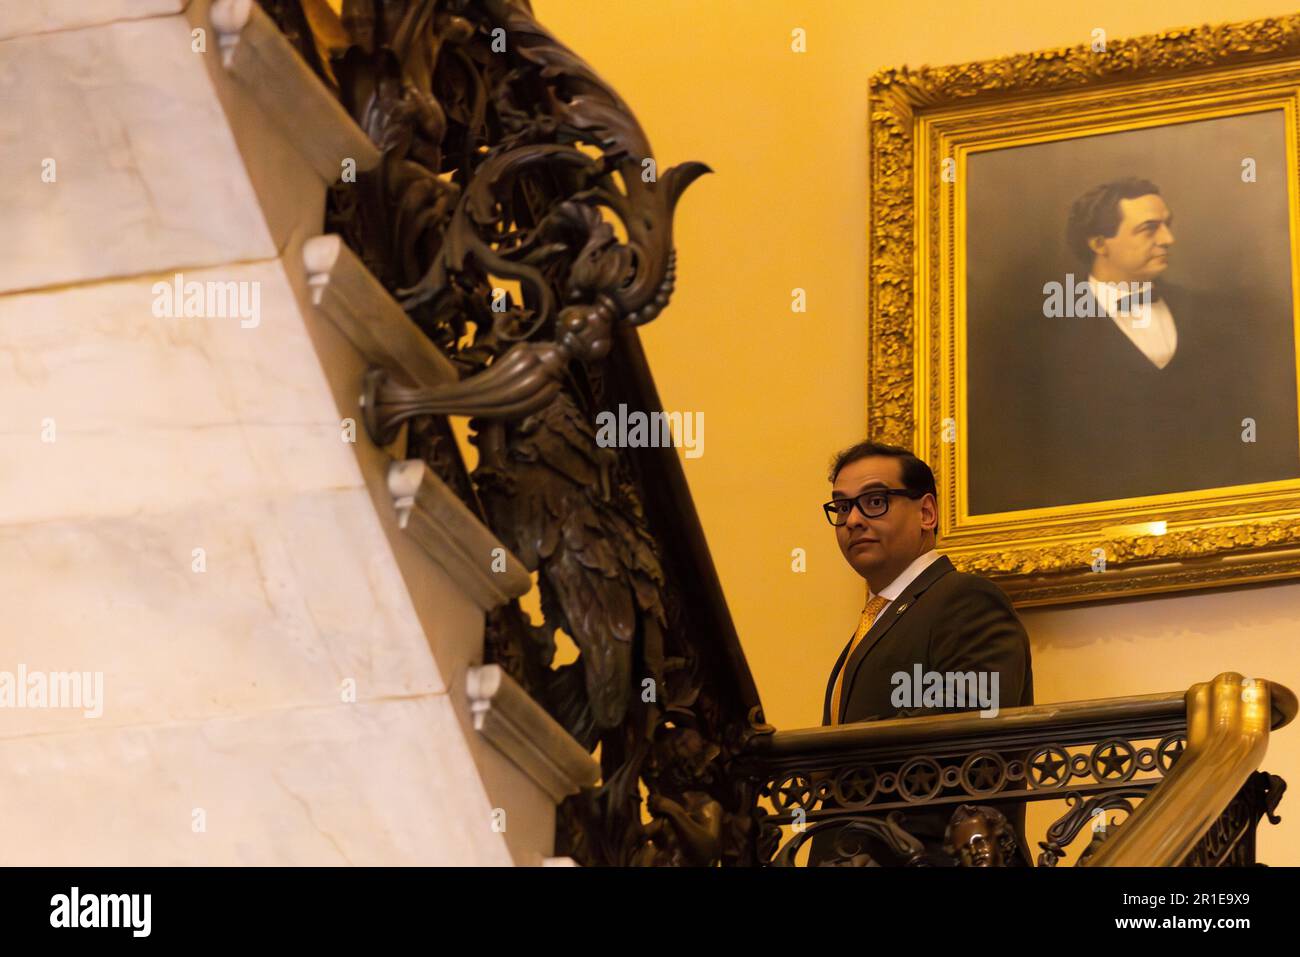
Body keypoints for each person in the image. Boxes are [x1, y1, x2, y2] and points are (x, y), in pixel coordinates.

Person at [967, 176, 1299, 514]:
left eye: (1167, 225)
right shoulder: (1040, 338)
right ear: (1099, 243)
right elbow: (1025, 458)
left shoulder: (1215, 318)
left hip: (1212, 521)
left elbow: (1249, 430)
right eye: (1149, 229)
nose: (1168, 239)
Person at [808, 441, 1033, 865]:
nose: (853, 520)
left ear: (926, 512)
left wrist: (824, 758)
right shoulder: (877, 618)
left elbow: (971, 723)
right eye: (841, 507)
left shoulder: (963, 598)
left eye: (874, 501)